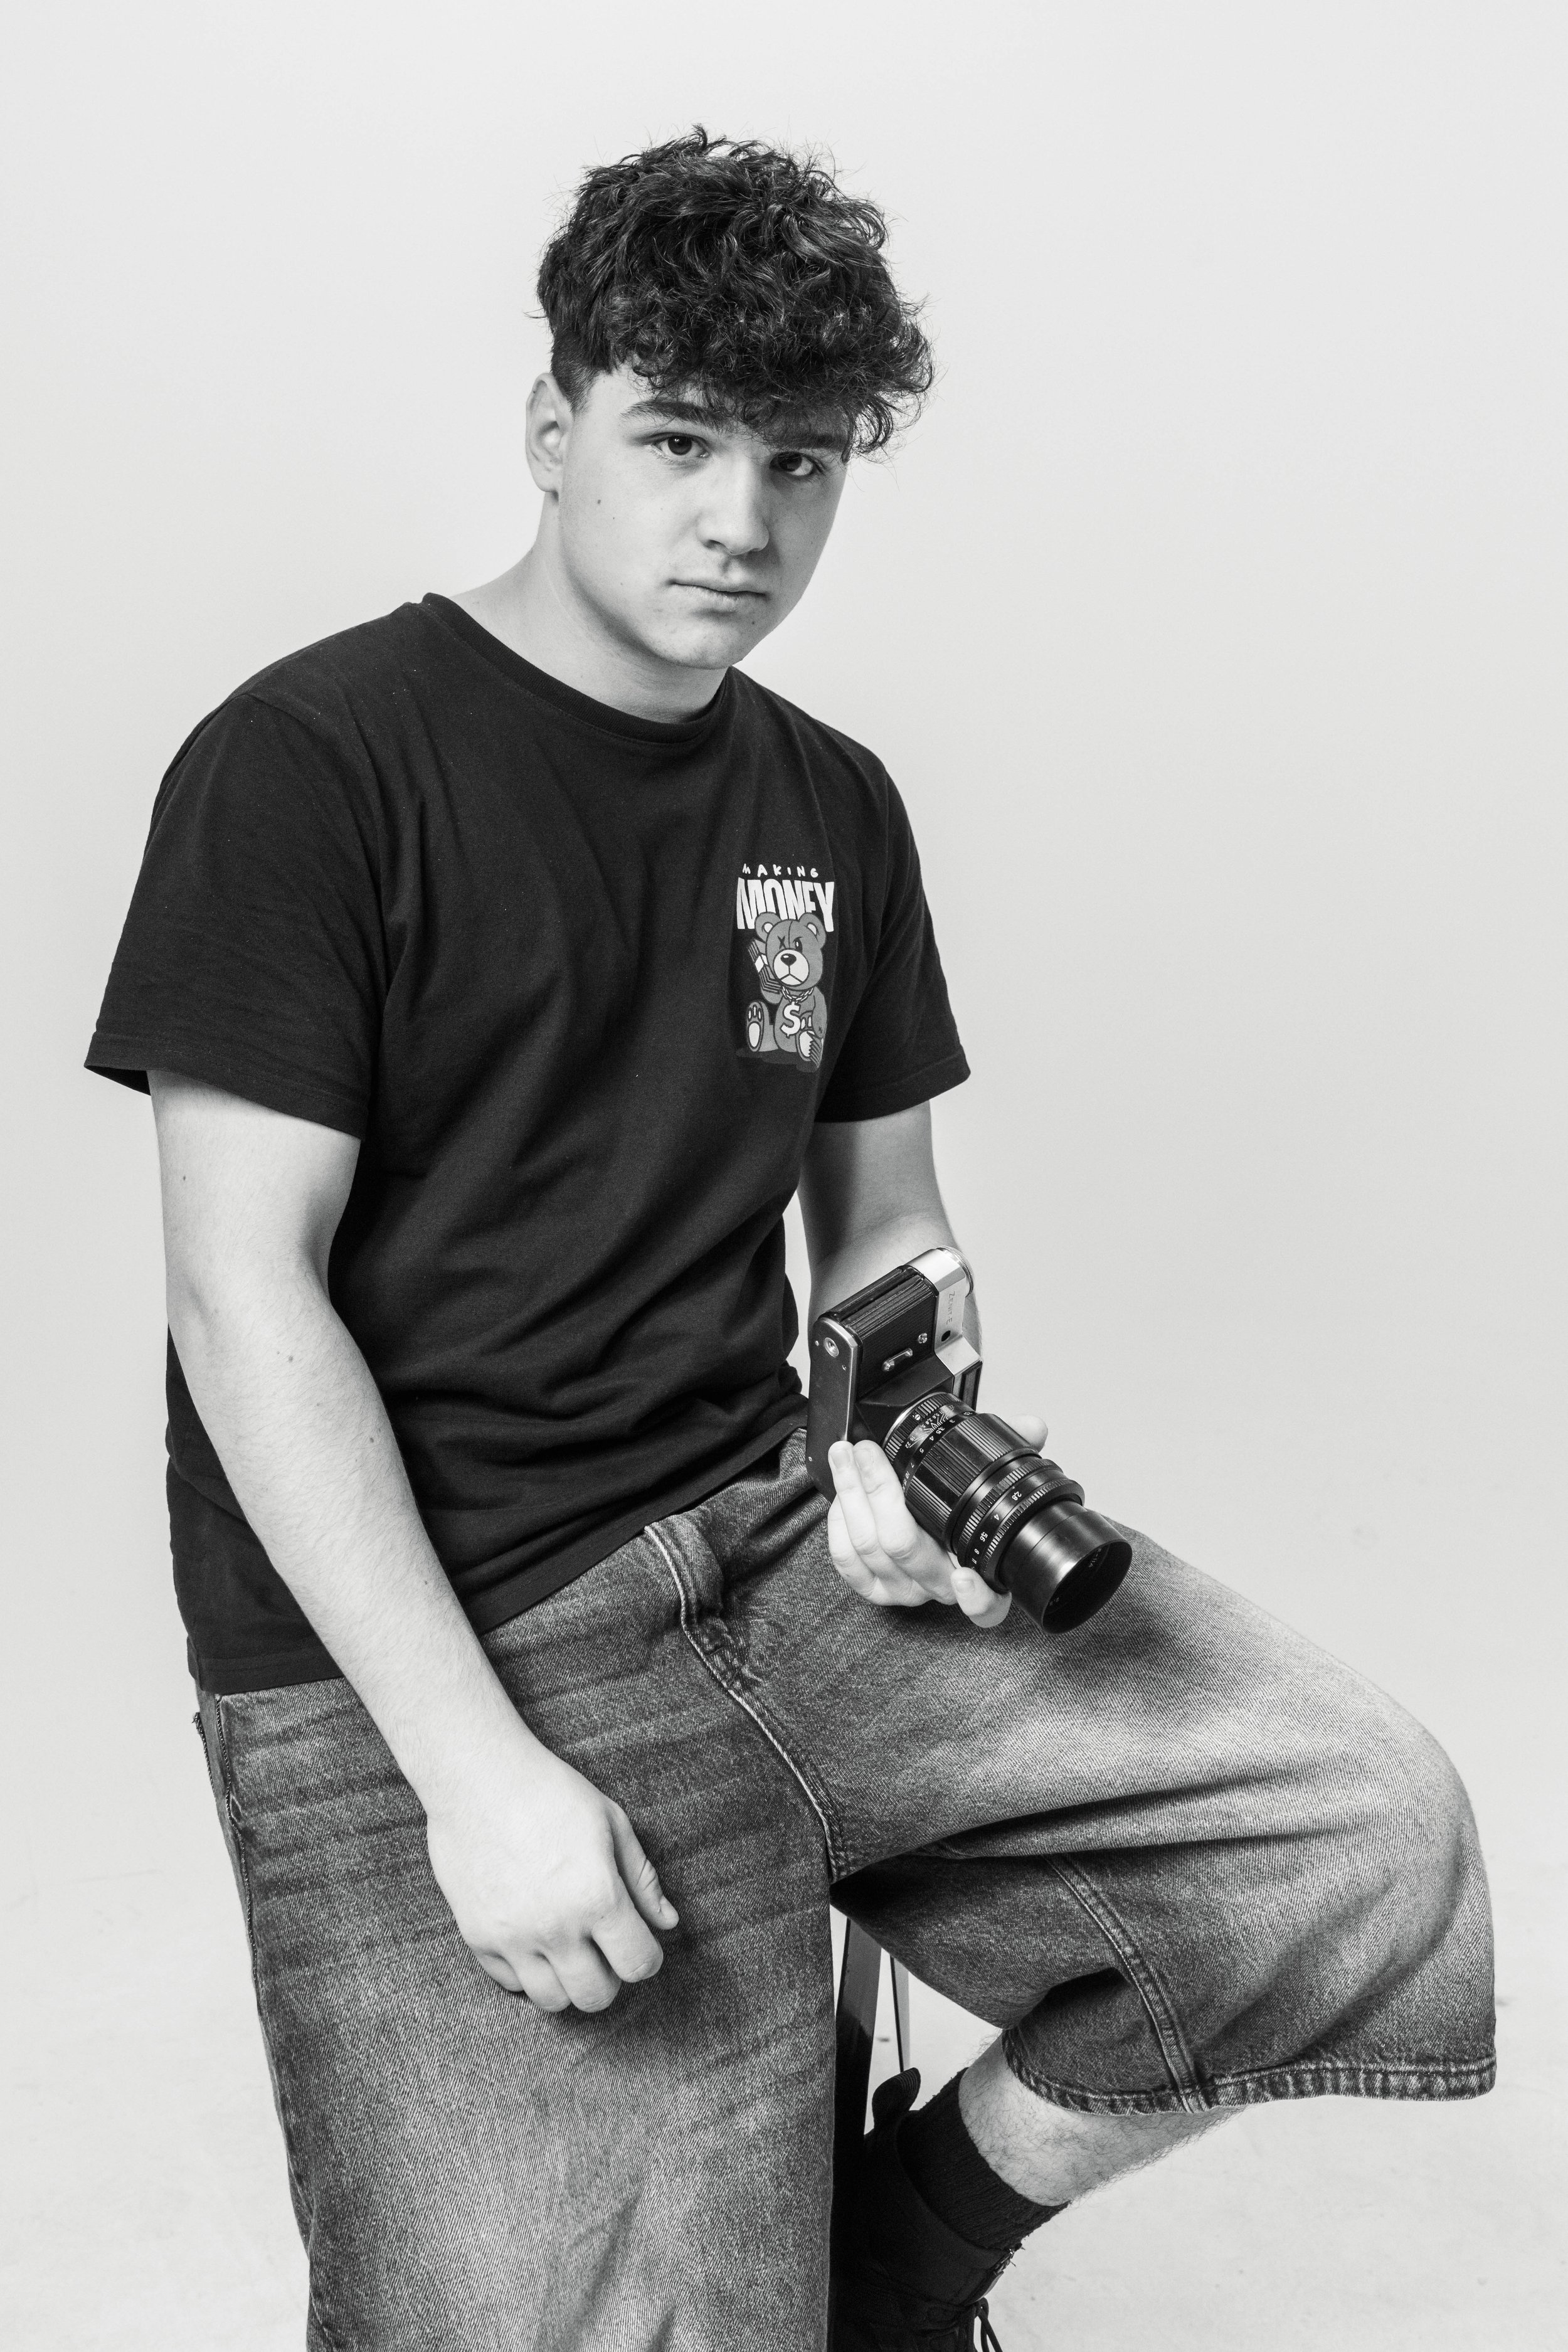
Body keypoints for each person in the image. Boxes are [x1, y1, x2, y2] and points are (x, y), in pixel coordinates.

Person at [87, 130, 1495, 2352]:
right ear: (551, 432)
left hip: (767, 1548)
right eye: (675, 442)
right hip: (439, 1638)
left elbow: (887, 1232)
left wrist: (898, 1470)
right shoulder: (314, 759)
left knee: (1353, 1838)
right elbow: (233, 1295)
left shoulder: (826, 802)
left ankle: (903, 2253)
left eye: (801, 463)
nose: (739, 521)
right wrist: (478, 1781)